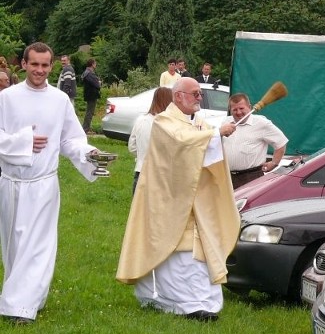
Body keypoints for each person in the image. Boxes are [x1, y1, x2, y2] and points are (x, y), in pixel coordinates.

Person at [117, 77, 239, 321]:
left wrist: (215, 136)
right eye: (194, 93)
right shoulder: (164, 122)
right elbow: (180, 145)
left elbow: (202, 151)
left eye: (199, 93)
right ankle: (177, 301)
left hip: (196, 200)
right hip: (168, 199)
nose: (199, 97)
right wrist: (215, 135)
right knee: (176, 251)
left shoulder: (199, 123)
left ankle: (201, 302)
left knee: (199, 253)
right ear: (178, 96)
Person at [0, 42, 99, 324]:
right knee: (14, 245)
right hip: (11, 183)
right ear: (24, 64)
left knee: (38, 245)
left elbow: (70, 139)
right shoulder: (7, 99)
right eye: (34, 64)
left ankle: (19, 308)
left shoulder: (59, 100)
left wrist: (89, 153)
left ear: (52, 66)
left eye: (45, 65)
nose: (40, 70)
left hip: (43, 185)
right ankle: (27, 297)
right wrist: (24, 141)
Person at [224, 93, 288, 189]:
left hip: (251, 177)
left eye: (241, 108)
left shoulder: (261, 123)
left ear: (249, 107)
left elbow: (281, 142)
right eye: (234, 109)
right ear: (230, 110)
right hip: (228, 178)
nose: (238, 112)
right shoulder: (225, 123)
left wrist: (274, 163)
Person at [128, 87, 173, 194]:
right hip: (160, 174)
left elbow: (132, 146)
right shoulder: (168, 123)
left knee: (138, 210)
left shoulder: (140, 120)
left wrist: (142, 155)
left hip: (140, 171)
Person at [81, 58, 101, 134]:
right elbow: (97, 84)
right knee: (90, 112)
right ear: (92, 64)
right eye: (95, 63)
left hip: (89, 95)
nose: (96, 65)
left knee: (89, 112)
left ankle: (86, 128)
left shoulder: (86, 73)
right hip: (92, 95)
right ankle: (85, 129)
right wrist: (99, 82)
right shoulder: (90, 73)